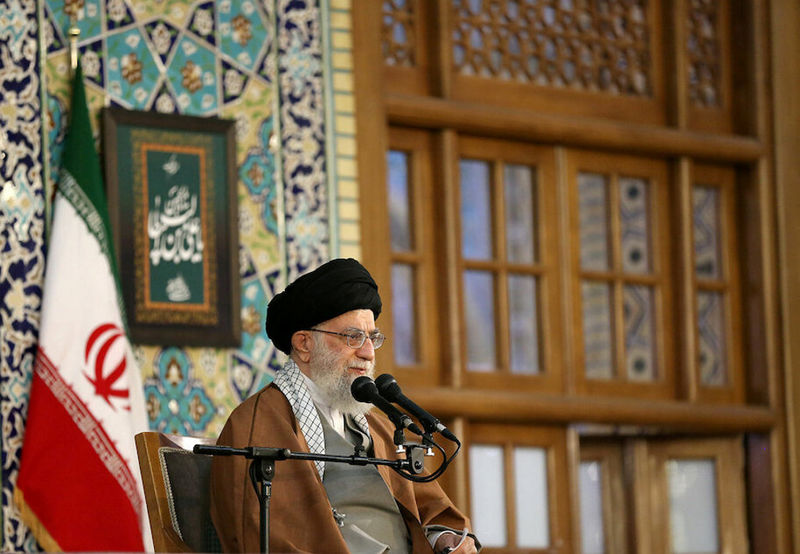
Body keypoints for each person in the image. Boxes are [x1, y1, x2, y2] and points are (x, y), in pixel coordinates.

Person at [210, 258, 479, 553]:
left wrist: (446, 538)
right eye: (353, 337)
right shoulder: (259, 423)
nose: (367, 353)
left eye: (372, 338)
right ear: (304, 344)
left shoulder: (380, 426)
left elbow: (430, 509)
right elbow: (265, 534)